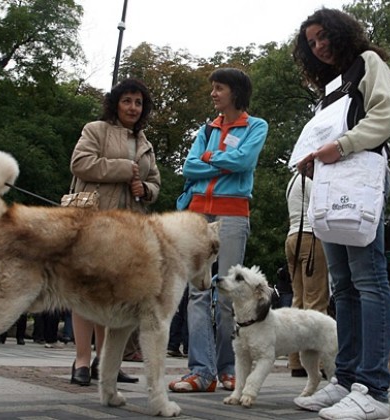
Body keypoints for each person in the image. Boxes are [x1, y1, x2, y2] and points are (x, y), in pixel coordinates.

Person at [291, 9, 390, 420]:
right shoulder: (330, 86)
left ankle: (374, 390)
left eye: (322, 37)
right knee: (343, 285)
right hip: (331, 181)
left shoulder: (370, 63)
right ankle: (346, 379)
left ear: (340, 32)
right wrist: (311, 158)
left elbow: (384, 119)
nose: (318, 46)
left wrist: (343, 145)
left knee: (369, 279)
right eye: (311, 42)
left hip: (361, 175)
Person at [168, 67, 268, 393]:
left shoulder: (256, 126)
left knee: (228, 294)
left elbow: (245, 162)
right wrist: (223, 158)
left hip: (232, 214)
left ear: (235, 92)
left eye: (219, 88)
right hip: (197, 214)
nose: (213, 93)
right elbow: (189, 165)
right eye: (213, 88)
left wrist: (211, 158)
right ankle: (201, 372)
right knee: (197, 293)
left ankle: (229, 368)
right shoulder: (206, 129)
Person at [69, 78, 160, 386]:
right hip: (93, 221)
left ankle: (105, 362)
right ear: (115, 103)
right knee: (83, 290)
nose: (133, 107)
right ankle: (82, 361)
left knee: (112, 296)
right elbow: (80, 164)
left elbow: (156, 183)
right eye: (127, 101)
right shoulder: (95, 130)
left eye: (138, 102)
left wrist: (145, 189)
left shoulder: (145, 141)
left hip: (128, 227)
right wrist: (123, 169)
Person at [284, 170, 329, 378]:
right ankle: (318, 363)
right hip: (311, 239)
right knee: (316, 301)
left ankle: (295, 361)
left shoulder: (293, 180)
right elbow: (322, 207)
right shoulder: (312, 179)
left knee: (298, 301)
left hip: (292, 238)